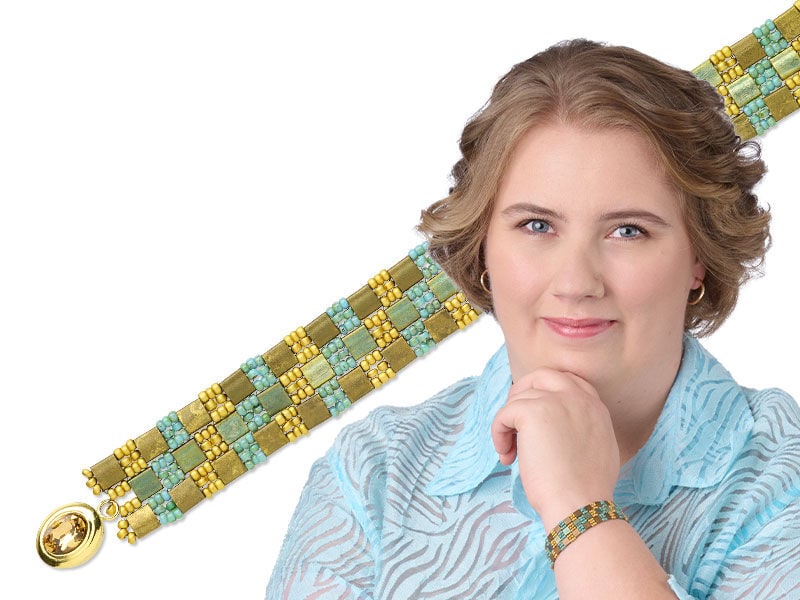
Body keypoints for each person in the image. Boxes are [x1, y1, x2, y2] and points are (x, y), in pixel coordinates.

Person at [265, 39, 800, 599]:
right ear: (483, 248)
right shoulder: (377, 472)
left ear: (698, 257)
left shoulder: (779, 480)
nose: (575, 283)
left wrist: (578, 508)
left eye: (628, 231)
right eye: (537, 226)